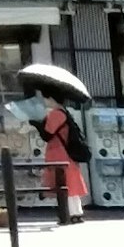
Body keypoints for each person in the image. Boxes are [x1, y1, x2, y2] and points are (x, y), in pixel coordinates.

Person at [33, 95, 92, 223]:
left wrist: (37, 123)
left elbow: (47, 135)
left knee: (63, 185)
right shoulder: (65, 112)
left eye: (46, 98)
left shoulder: (56, 114)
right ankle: (76, 212)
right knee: (71, 183)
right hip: (67, 153)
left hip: (58, 152)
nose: (45, 101)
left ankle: (68, 214)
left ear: (52, 99)